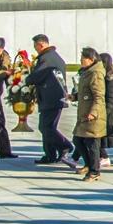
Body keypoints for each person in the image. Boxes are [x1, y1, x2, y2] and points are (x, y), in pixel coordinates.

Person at [26, 34, 74, 166]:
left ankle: (65, 146)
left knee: (46, 127)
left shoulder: (47, 58)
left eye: (35, 47)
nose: (35, 50)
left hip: (51, 98)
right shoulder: (54, 56)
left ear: (40, 45)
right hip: (55, 97)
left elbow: (36, 76)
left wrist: (27, 79)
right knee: (47, 126)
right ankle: (50, 155)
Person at [73, 47, 107, 182]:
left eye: (83, 58)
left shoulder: (96, 73)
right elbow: (85, 92)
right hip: (84, 114)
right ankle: (88, 165)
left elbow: (99, 96)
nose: (81, 60)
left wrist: (93, 112)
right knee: (78, 140)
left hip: (93, 116)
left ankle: (95, 171)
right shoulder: (87, 72)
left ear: (91, 60)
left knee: (92, 143)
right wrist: (74, 96)